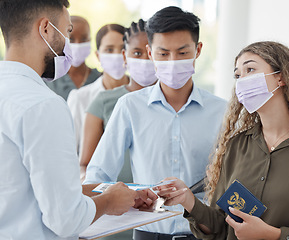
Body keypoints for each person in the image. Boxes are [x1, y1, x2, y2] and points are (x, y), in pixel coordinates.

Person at [155, 41, 289, 240]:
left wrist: (274, 235)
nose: (242, 80)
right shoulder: (236, 146)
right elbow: (219, 228)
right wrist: (188, 200)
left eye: (250, 70)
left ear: (281, 78)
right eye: (237, 75)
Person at [0, 1, 155, 239]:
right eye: (68, 32)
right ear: (46, 29)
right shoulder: (44, 105)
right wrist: (110, 201)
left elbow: (24, 190)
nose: (68, 43)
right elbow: (66, 218)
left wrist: (106, 191)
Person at [83, 6, 227, 240]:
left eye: (182, 53)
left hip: (203, 233)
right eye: (163, 53)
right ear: (150, 53)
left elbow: (230, 180)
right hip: (147, 233)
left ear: (198, 50)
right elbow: (98, 174)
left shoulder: (222, 111)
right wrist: (132, 194)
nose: (172, 61)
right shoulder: (129, 106)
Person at [79, 19, 156, 181]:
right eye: (137, 53)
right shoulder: (105, 101)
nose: (144, 60)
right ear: (125, 56)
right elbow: (85, 164)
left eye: (150, 53)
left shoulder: (173, 103)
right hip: (118, 201)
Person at [67, 23, 128, 154]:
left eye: (123, 49)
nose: (117, 55)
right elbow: (71, 150)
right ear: (98, 56)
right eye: (109, 50)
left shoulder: (143, 92)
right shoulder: (80, 98)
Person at [45, 15, 101, 100]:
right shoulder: (50, 80)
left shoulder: (99, 79)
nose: (78, 44)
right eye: (71, 39)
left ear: (90, 40)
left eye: (84, 39)